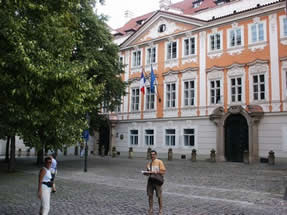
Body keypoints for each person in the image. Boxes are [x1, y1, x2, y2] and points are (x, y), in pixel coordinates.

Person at [143, 150, 166, 215]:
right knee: (150, 196)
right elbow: (148, 173)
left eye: (153, 154)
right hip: (150, 181)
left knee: (159, 196)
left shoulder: (159, 162)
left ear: (156, 155)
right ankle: (151, 209)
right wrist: (146, 173)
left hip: (157, 181)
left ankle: (160, 209)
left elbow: (163, 172)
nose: (152, 156)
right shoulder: (149, 164)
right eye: (151, 154)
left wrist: (155, 172)